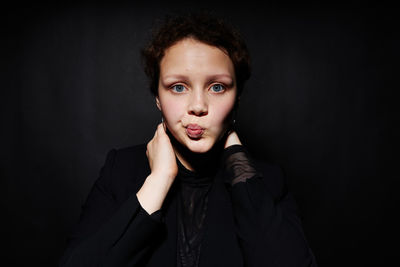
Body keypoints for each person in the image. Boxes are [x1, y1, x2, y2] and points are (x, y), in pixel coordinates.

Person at [59, 12, 318, 267]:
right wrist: (159, 180)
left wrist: (238, 163)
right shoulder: (120, 171)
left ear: (237, 97)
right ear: (158, 98)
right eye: (178, 87)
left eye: (217, 87)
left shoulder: (267, 181)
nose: (197, 106)